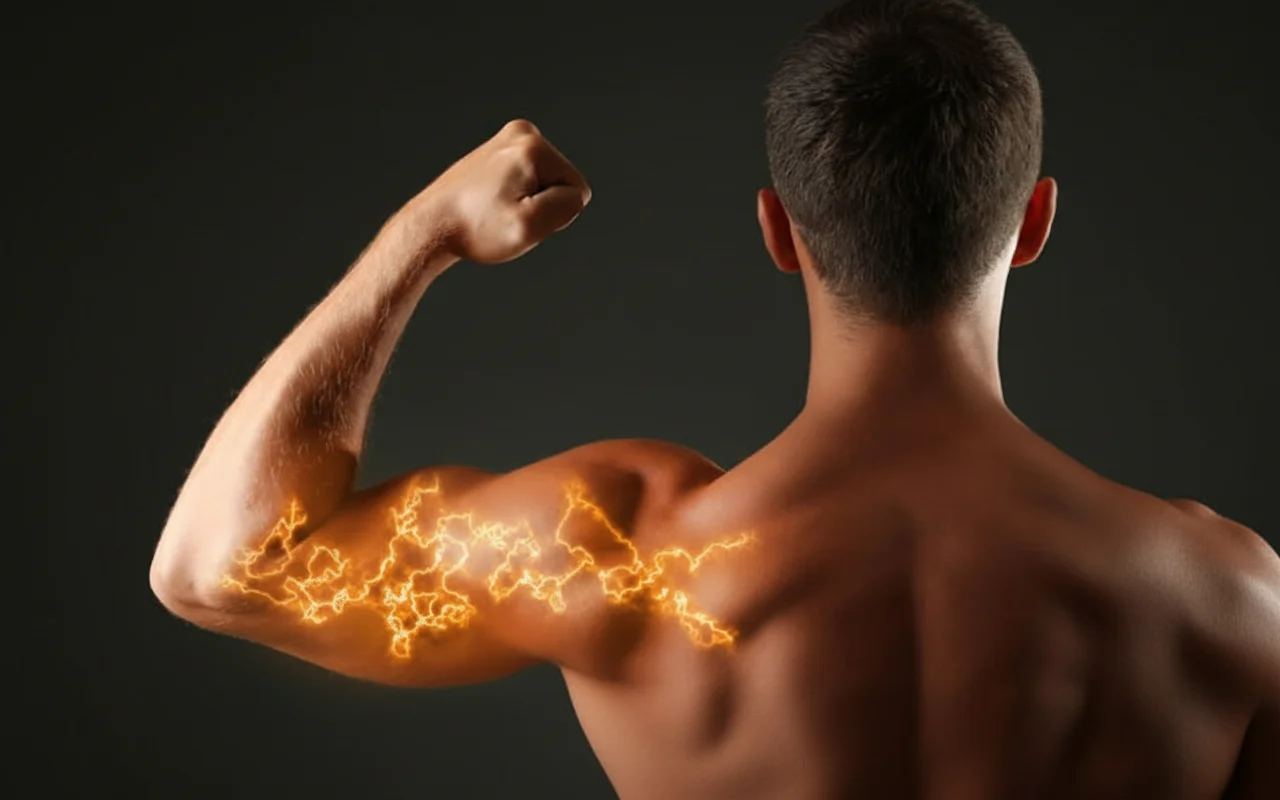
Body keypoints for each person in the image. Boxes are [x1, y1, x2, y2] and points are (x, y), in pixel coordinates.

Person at [149, 0, 1280, 797]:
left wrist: (424, 234)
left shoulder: (621, 556)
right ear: (1031, 224)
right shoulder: (1230, 600)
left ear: (778, 230)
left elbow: (215, 568)